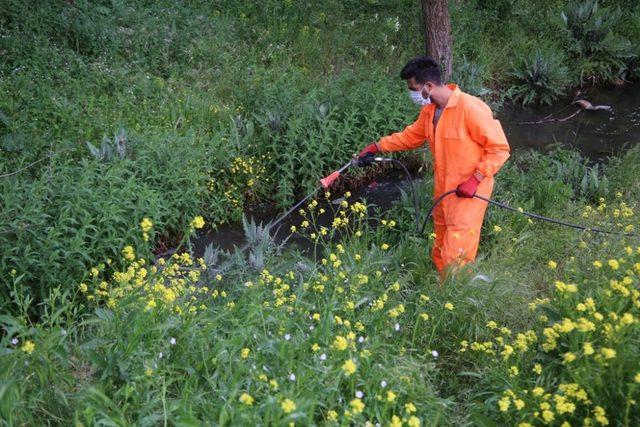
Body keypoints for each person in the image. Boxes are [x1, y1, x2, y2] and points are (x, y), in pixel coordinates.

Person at [358, 56, 510, 276]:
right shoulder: (430, 112)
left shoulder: (470, 108)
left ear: (428, 86)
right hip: (444, 191)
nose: (412, 94)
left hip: (469, 193)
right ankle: (442, 293)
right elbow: (410, 137)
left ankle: (454, 300)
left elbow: (499, 148)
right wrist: (377, 146)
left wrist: (476, 179)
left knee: (456, 255)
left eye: (413, 88)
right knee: (440, 248)